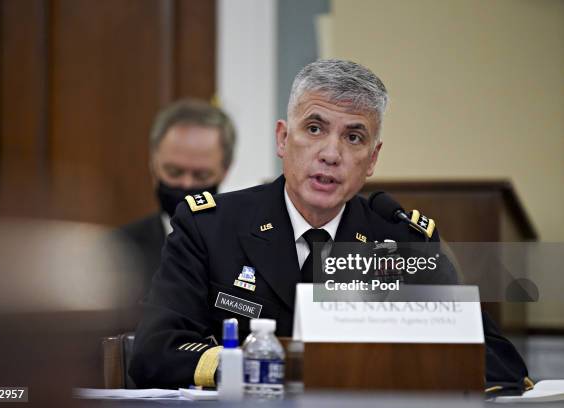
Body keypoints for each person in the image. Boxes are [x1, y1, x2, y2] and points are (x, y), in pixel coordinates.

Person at [129, 60, 529, 393]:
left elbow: (499, 363)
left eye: (354, 137)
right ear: (284, 139)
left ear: (371, 160)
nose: (331, 154)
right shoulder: (211, 227)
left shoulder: (399, 240)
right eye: (315, 129)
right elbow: (155, 351)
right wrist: (270, 367)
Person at [118, 99, 236, 297]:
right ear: (153, 164)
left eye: (201, 175)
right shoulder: (119, 250)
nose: (186, 185)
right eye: (174, 172)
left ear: (225, 170)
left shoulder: (250, 245)